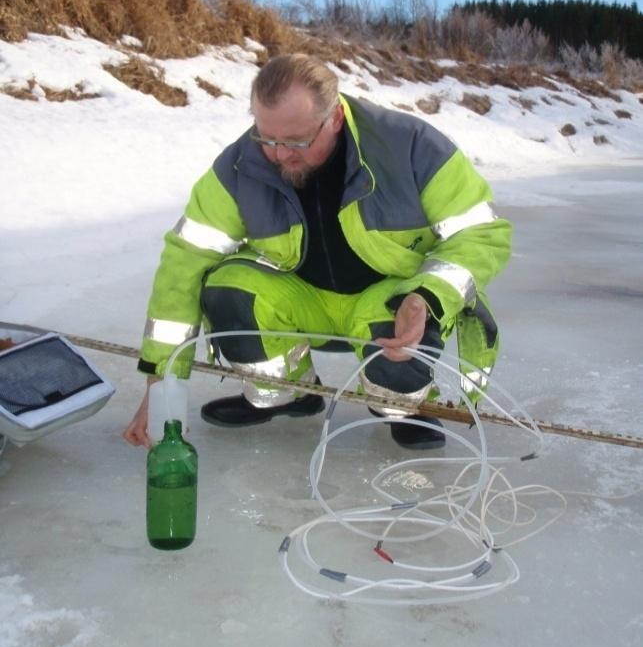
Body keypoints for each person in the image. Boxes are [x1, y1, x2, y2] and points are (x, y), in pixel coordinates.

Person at [123, 53, 511, 450]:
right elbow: (184, 261)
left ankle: (405, 406)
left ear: (336, 118)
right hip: (302, 301)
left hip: (383, 303)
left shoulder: (411, 146)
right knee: (227, 288)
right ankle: (287, 393)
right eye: (267, 138)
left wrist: (428, 297)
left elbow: (483, 234)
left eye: (297, 141)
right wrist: (161, 388)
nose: (279, 155)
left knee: (401, 342)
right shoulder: (241, 164)